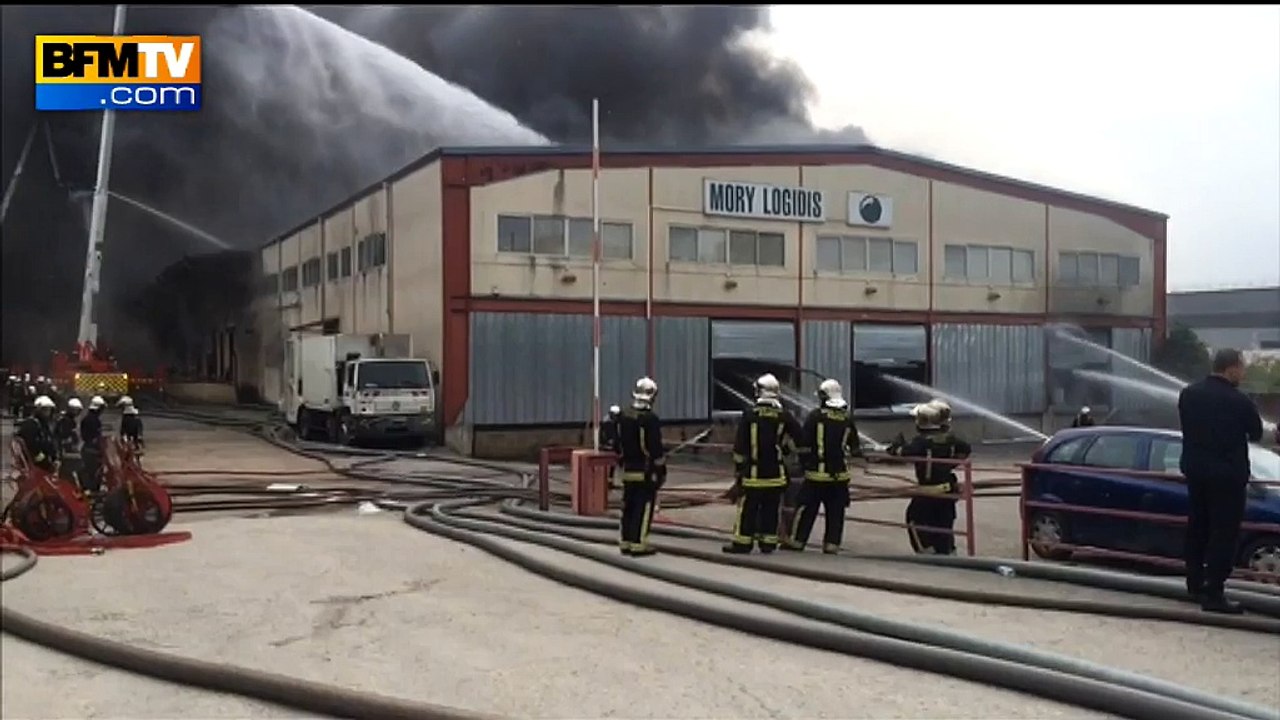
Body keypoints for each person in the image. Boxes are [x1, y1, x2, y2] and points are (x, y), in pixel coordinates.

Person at [1178, 348, 1266, 614]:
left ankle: (1194, 583)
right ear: (1231, 368)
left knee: (1198, 527)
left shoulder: (1189, 394)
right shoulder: (1240, 401)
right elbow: (1256, 432)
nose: (1243, 373)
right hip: (1228, 477)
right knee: (1223, 533)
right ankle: (1214, 593)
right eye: (1242, 368)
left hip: (1195, 472)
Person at [724, 373, 805, 555]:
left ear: (759, 391)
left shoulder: (749, 414)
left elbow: (739, 447)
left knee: (748, 509)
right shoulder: (785, 416)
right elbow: (800, 441)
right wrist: (785, 448)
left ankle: (742, 543)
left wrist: (738, 470)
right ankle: (768, 543)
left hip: (753, 475)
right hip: (776, 475)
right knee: (771, 509)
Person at [784, 378, 862, 554]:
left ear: (824, 397)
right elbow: (855, 448)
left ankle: (797, 541)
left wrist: (793, 452)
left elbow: (803, 444)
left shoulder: (815, 417)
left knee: (806, 508)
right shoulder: (847, 418)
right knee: (836, 511)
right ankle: (831, 545)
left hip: (816, 474)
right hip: (840, 476)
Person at [885, 401, 972, 555]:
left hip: (929, 491)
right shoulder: (952, 441)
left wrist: (894, 447)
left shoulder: (921, 442)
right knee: (944, 523)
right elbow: (965, 450)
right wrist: (950, 464)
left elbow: (902, 452)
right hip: (948, 490)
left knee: (913, 518)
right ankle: (947, 551)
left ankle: (926, 551)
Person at [616, 378, 666, 557]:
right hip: (645, 470)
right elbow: (654, 448)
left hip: (628, 469)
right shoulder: (650, 419)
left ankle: (625, 541)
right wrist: (660, 469)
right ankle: (639, 543)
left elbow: (617, 442)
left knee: (628, 505)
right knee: (643, 507)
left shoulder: (625, 415)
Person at [16, 395, 60, 473]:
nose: (47, 413)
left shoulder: (44, 425)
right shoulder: (31, 424)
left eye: (49, 410)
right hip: (34, 462)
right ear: (38, 410)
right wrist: (47, 461)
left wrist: (55, 458)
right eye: (45, 410)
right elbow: (31, 446)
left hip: (42, 460)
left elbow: (49, 442)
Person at [79, 396, 107, 494]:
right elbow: (94, 437)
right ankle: (92, 492)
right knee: (93, 473)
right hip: (92, 451)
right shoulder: (94, 420)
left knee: (91, 472)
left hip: (88, 450)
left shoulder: (87, 419)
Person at [599, 405, 622, 487]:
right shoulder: (607, 422)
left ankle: (610, 480)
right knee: (609, 464)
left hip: (614, 445)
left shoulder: (615, 422)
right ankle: (608, 481)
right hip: (608, 446)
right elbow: (605, 435)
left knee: (615, 463)